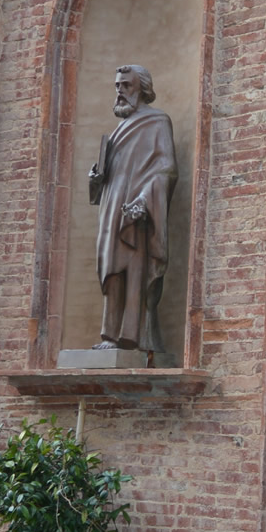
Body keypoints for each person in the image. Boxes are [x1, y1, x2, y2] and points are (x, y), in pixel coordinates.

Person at [87, 65, 177, 352]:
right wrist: (96, 180)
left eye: (126, 85)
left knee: (132, 269)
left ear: (143, 89)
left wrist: (144, 200)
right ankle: (108, 336)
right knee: (111, 270)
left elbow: (166, 167)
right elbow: (108, 178)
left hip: (137, 210)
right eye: (117, 86)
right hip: (112, 207)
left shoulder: (157, 121)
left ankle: (130, 338)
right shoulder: (117, 131)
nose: (120, 91)